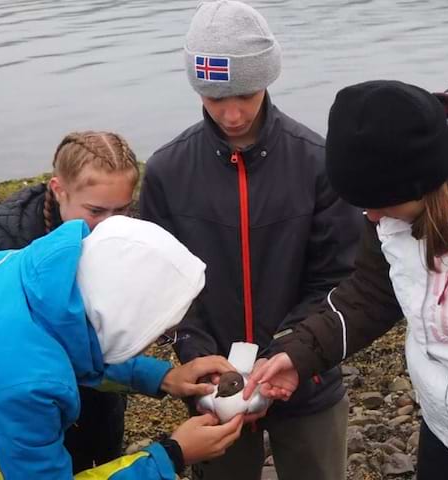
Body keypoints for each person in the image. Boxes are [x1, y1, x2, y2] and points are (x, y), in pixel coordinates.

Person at [246, 56, 448, 479]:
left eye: (381, 206)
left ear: (425, 183)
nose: (371, 219)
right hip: (447, 432)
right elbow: (373, 290)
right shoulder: (392, 203)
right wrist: (301, 354)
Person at [139, 2, 361, 479]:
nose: (232, 113)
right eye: (215, 97)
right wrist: (200, 360)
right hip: (212, 389)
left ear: (269, 77)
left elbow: (337, 278)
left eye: (244, 92)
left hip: (307, 375)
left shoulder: (320, 163)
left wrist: (284, 356)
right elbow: (165, 288)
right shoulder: (165, 173)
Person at [0, 215, 244, 480]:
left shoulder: (34, 275)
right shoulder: (23, 385)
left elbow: (73, 342)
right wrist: (172, 455)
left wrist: (163, 377)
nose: (160, 339)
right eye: (158, 328)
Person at [0, 131, 140, 471]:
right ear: (59, 190)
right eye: (95, 210)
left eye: (122, 209)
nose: (109, 224)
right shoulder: (1, 244)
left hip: (99, 399)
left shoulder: (124, 236)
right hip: (17, 402)